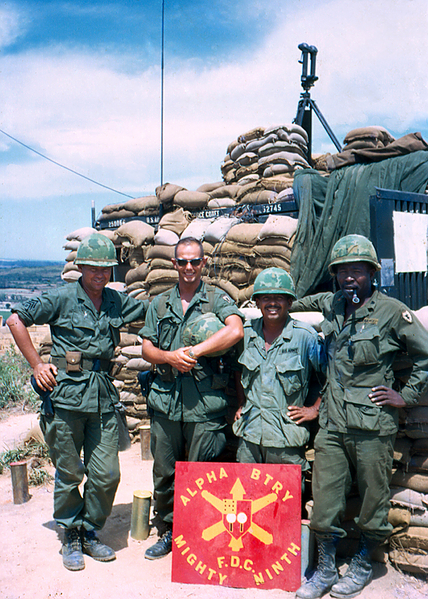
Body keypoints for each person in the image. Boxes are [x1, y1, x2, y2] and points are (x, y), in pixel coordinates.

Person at [293, 234, 428, 599]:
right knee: (324, 503)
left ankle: (365, 563)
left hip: (373, 427)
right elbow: (297, 302)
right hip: (333, 425)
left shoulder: (391, 312)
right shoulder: (333, 305)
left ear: (372, 273)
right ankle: (323, 569)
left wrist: (406, 396)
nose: (349, 278)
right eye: (342, 272)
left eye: (357, 271)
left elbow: (425, 355)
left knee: (373, 502)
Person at [7, 233, 149, 572]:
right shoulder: (62, 298)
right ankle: (70, 533)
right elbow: (14, 320)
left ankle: (89, 530)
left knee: (107, 474)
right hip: (66, 397)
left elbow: (151, 310)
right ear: (81, 267)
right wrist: (37, 365)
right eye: (94, 268)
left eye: (106, 269)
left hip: (101, 397)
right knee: (70, 471)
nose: (100, 275)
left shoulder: (116, 302)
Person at [140, 236, 244, 560]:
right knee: (165, 472)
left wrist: (195, 351)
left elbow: (236, 330)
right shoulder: (159, 304)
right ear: (174, 264)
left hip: (204, 402)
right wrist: (169, 357)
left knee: (203, 473)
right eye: (182, 261)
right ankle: (169, 530)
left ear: (203, 264)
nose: (188, 267)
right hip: (166, 401)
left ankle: (199, 534)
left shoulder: (216, 299)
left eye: (194, 262)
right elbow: (146, 348)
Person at [233, 268, 324, 480]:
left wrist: (315, 409)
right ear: (256, 302)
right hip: (250, 434)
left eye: (279, 298)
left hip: (286, 439)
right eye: (266, 298)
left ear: (290, 303)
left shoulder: (305, 337)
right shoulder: (246, 334)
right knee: (246, 498)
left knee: (286, 502)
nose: (272, 303)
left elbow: (328, 377)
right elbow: (237, 370)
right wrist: (240, 402)